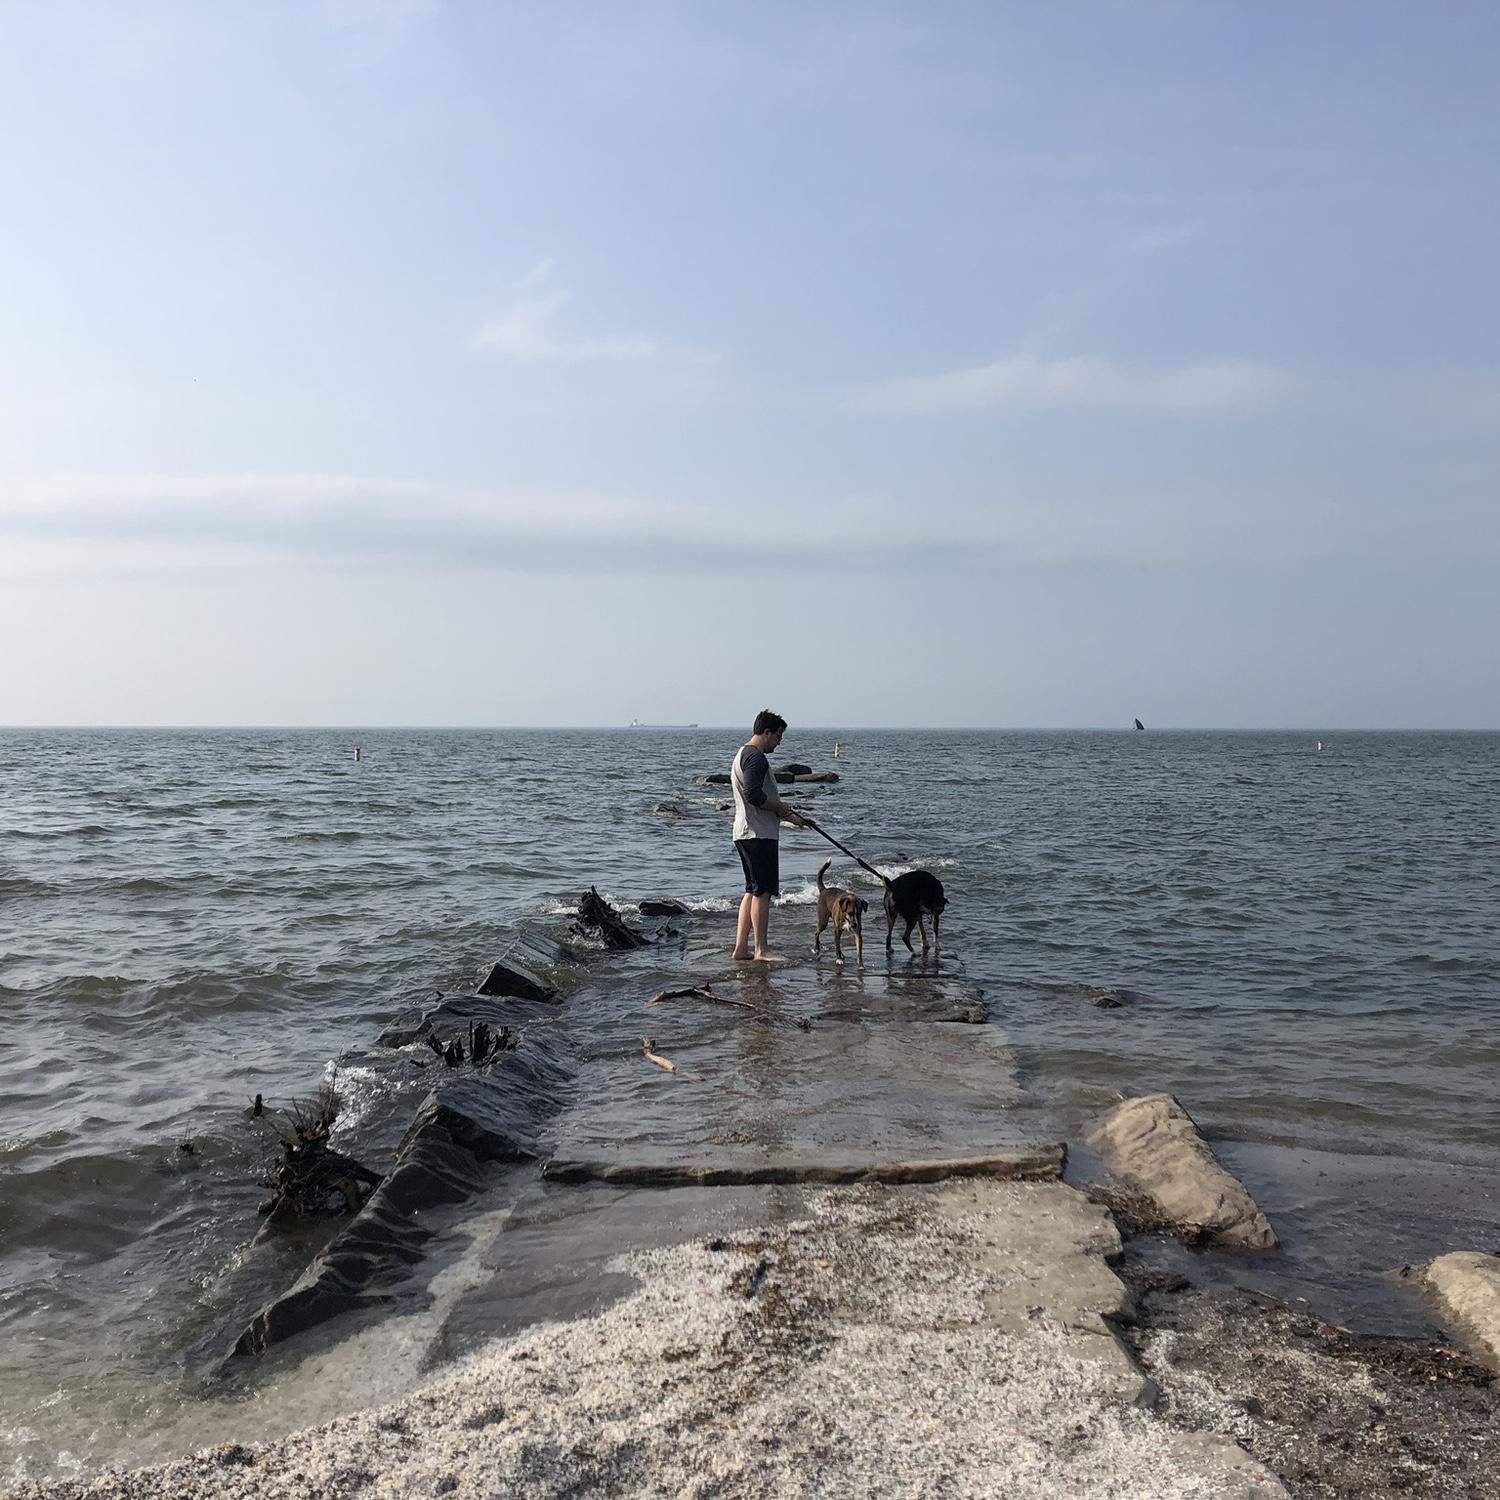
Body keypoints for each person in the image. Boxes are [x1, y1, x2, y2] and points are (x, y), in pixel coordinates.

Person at [729, 709, 808, 961]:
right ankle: (761, 950)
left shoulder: (742, 754)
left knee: (752, 890)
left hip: (746, 831)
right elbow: (754, 795)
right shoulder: (756, 757)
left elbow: (757, 799)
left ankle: (741, 949)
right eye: (778, 736)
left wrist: (793, 818)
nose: (779, 742)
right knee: (762, 892)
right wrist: (781, 807)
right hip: (758, 835)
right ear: (766, 732)